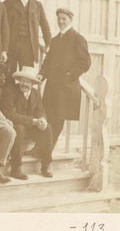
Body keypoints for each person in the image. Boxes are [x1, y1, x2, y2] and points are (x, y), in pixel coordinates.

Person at [38, 8, 91, 149]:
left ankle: (46, 152)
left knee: (57, 121)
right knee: (47, 118)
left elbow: (85, 62)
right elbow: (47, 62)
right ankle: (40, 148)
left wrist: (69, 75)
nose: (60, 21)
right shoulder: (54, 40)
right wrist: (41, 75)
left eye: (64, 19)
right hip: (52, 88)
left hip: (66, 88)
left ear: (70, 20)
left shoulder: (77, 38)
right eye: (59, 18)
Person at [0, 66, 53, 179]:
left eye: (28, 81)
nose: (24, 84)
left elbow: (40, 110)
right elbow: (11, 115)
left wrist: (42, 119)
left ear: (33, 83)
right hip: (13, 125)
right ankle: (16, 167)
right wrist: (33, 121)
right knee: (19, 128)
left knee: (47, 128)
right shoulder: (9, 91)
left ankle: (46, 165)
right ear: (18, 80)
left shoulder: (35, 93)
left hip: (29, 126)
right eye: (22, 80)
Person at [5, 0, 51, 73]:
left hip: (28, 46)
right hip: (11, 44)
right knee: (8, 73)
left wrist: (48, 43)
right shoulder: (9, 3)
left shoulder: (37, 5)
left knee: (26, 75)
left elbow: (44, 25)